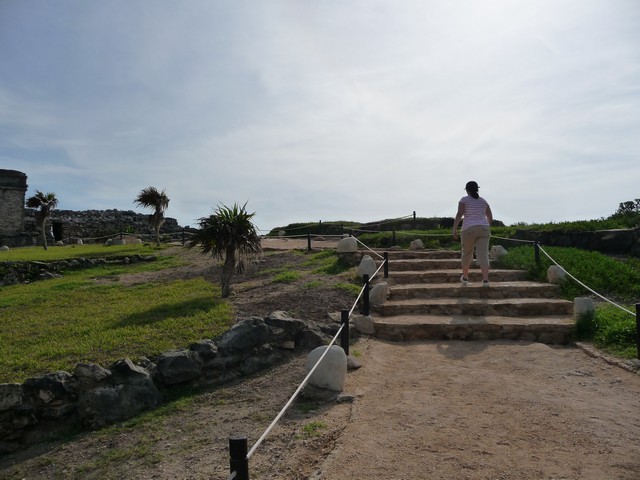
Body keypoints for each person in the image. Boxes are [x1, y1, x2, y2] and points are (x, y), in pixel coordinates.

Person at [452, 181, 493, 286]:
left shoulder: (464, 200)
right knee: (483, 254)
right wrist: (485, 226)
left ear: (467, 190)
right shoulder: (483, 201)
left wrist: (454, 229)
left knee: (467, 253)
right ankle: (485, 280)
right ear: (477, 189)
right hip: (484, 228)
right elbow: (490, 217)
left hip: (469, 229)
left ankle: (465, 277)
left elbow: (459, 214)